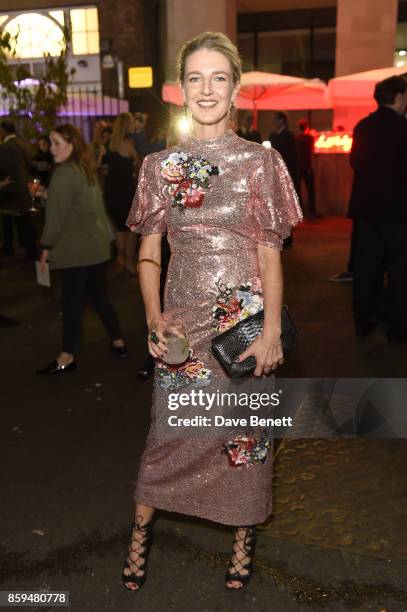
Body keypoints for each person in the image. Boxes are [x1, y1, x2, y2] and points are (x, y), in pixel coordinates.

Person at [123, 32, 302, 592]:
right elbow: (148, 252)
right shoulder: (158, 166)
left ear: (235, 88)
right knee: (168, 435)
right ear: (182, 89)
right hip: (181, 324)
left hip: (243, 325)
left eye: (218, 78)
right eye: (195, 78)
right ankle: (137, 539)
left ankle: (243, 542)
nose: (206, 89)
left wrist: (272, 330)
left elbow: (270, 256)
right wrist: (154, 318)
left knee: (245, 439)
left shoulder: (260, 164)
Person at [37, 124, 128, 375]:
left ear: (71, 144)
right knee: (99, 296)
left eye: (57, 143)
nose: (52, 148)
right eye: (51, 143)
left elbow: (55, 218)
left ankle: (67, 355)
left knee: (72, 305)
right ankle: (118, 341)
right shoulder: (84, 168)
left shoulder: (64, 174)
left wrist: (46, 246)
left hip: (76, 250)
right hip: (97, 246)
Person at [348, 75, 407, 339]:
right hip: (398, 212)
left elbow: (355, 163)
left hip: (366, 210)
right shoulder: (404, 128)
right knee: (399, 272)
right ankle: (397, 328)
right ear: (398, 97)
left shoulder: (363, 126)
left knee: (365, 270)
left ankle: (363, 323)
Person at [102, 113, 139, 274]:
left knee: (119, 228)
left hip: (111, 191)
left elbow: (103, 167)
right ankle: (129, 262)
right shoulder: (129, 145)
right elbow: (141, 163)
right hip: (126, 191)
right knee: (131, 229)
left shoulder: (109, 144)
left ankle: (120, 258)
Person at [0, 121, 37, 259]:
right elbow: (30, 165)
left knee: (11, 220)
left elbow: (3, 168)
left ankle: (13, 248)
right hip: (23, 187)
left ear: (3, 131)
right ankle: (28, 248)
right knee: (23, 220)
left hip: (10, 189)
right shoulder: (23, 143)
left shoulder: (5, 147)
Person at [296, 118, 318, 218]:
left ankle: (301, 212)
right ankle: (312, 211)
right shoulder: (309, 138)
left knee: (298, 190)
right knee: (311, 190)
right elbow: (312, 152)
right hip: (307, 166)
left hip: (299, 166)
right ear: (307, 127)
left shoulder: (296, 138)